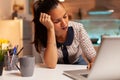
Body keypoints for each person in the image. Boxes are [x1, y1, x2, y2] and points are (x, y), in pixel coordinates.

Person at [32, 0, 96, 69]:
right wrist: (50, 30)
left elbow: (93, 57)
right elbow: (51, 64)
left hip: (78, 65)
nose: (64, 24)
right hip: (55, 69)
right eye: (57, 21)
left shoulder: (78, 28)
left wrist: (93, 63)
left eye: (65, 16)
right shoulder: (42, 35)